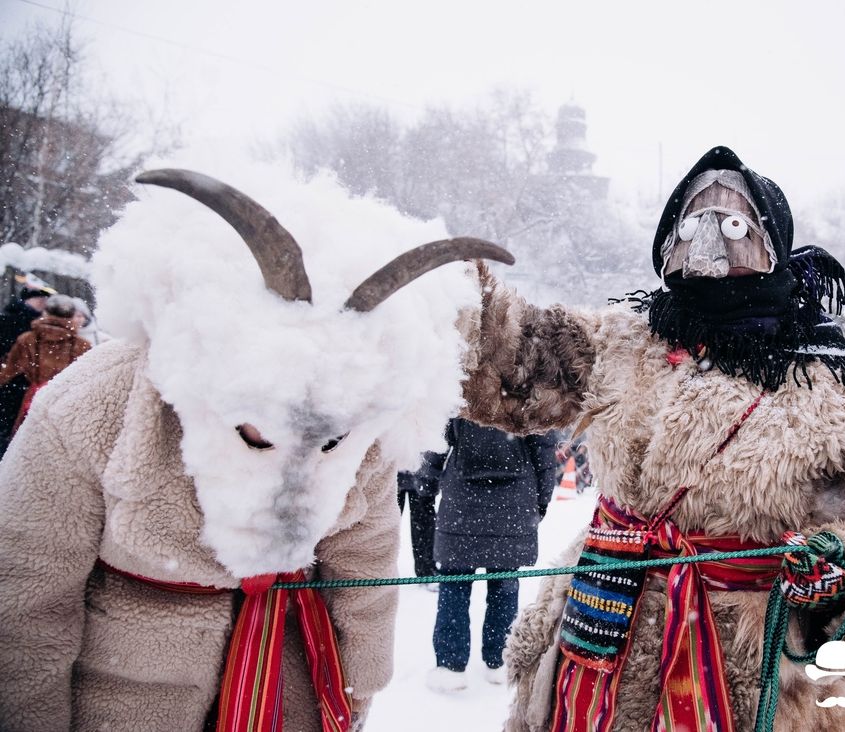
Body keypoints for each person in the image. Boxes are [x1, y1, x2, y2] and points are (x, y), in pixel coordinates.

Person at [460, 146, 845, 731]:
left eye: (733, 225)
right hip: (595, 634)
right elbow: (506, 357)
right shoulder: (621, 343)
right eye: (692, 223)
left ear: (770, 242)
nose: (710, 244)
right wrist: (430, 306)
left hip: (745, 668)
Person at [0, 168, 511, 730]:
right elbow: (25, 599)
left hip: (289, 688)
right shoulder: (90, 404)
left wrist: (357, 692)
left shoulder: (358, 406)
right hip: (122, 701)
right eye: (258, 434)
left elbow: (364, 566)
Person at [417, 417, 557, 693]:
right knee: (504, 586)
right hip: (514, 499)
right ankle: (498, 659)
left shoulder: (459, 377)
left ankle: (450, 664)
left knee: (454, 584)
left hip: (462, 500)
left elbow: (435, 437)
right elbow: (543, 444)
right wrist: (542, 496)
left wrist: (427, 483)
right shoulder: (524, 378)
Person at [0, 294, 91, 434]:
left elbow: (7, 372)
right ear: (71, 316)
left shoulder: (28, 339)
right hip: (66, 404)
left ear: (45, 312)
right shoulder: (82, 345)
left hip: (34, 402)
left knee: (27, 445)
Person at [0, 284, 50, 456]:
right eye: (41, 299)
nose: (44, 303)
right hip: (18, 382)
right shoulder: (27, 325)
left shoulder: (32, 322)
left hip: (19, 383)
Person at [396, 468, 439, 582]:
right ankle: (427, 571)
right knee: (385, 524)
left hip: (420, 472)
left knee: (424, 522)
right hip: (419, 471)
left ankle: (427, 571)